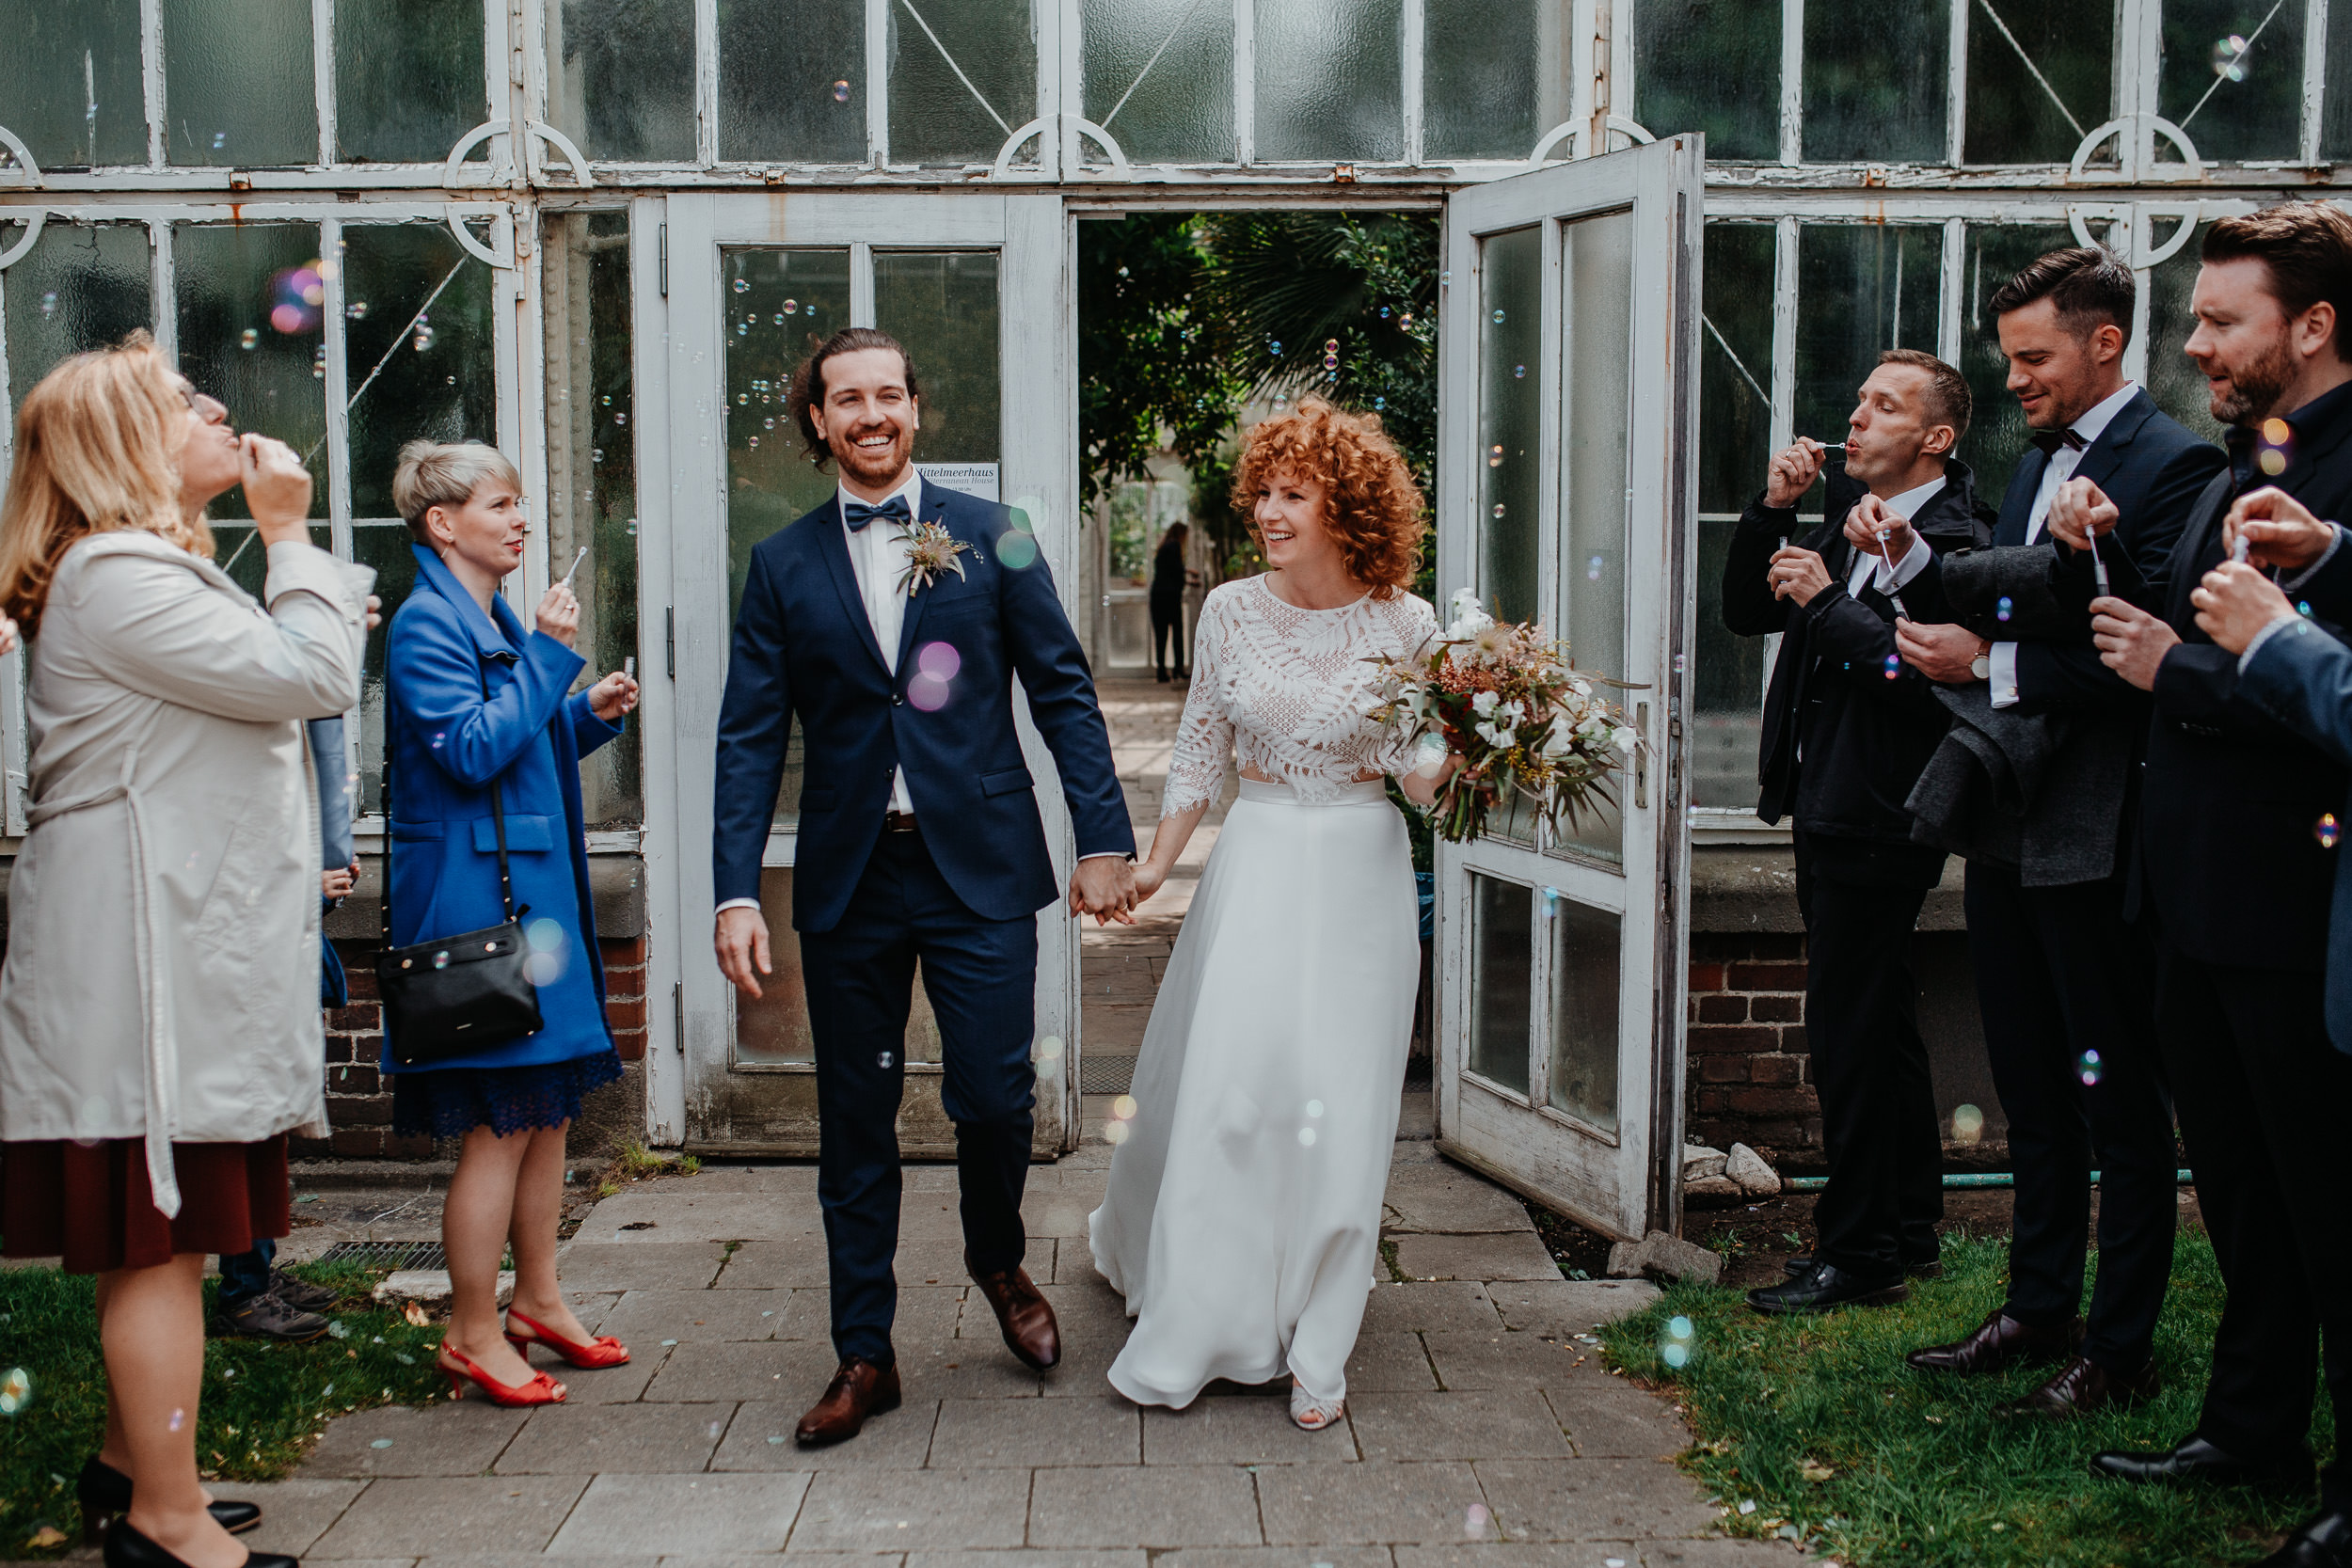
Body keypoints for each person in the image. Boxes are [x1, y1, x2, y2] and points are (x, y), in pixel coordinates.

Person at [712, 327, 1136, 1446]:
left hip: (980, 864)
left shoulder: (995, 532)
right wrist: (734, 890)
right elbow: (747, 735)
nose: (871, 414)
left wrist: (1102, 836)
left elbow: (1062, 688)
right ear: (817, 419)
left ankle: (996, 1256)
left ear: (914, 406)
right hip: (849, 876)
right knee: (854, 1119)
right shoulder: (782, 562)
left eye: (888, 394)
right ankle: (865, 1351)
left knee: (994, 1097)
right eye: (847, 398)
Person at [0, 331, 373, 1568]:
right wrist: (289, 535)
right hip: (141, 965)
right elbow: (312, 675)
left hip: (165, 951)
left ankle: (133, 1470)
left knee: (172, 1231)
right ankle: (166, 1522)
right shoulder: (115, 573)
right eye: (183, 401)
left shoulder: (135, 571)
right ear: (122, 446)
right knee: (157, 1237)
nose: (218, 409)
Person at [2055, 203, 2352, 1568]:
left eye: (2222, 320)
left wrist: (2170, 668)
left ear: (2314, 324)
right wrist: (2110, 560)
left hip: (2298, 906)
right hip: (2190, 891)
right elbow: (2185, 634)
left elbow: (2289, 686)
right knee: (2239, 1190)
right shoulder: (2249, 455)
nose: (2194, 344)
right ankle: (2249, 1425)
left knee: (2327, 1202)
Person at [1888, 248, 2223, 1416]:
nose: (2014, 379)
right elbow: (2015, 588)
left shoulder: (2180, 465)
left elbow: (2140, 641)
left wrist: (1991, 655)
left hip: (2099, 823)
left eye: (2032, 357)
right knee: (2030, 1084)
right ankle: (2037, 1306)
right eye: (2008, 357)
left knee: (2117, 1099)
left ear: (2104, 341)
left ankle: (2119, 1349)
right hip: (2007, 820)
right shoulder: (2036, 459)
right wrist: (1969, 590)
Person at [1088, 399, 1446, 1432]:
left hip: (1362, 873)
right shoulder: (1230, 611)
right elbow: (1200, 746)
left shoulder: (1408, 623)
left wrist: (1487, 740)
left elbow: (1420, 778)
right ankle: (1205, 1313)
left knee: (1344, 1102)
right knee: (1237, 1096)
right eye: (1265, 492)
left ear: (1350, 506)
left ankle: (1319, 1340)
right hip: (1259, 864)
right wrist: (1157, 865)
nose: (1269, 511)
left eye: (1296, 493)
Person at [1719, 349, 1994, 1315]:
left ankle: (1859, 1251)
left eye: (1885, 405)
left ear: (1936, 437)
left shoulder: (1957, 542)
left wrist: (1826, 602)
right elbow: (1744, 610)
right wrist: (1773, 510)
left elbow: (1927, 686)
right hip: (1831, 800)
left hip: (1882, 810)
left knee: (1849, 1033)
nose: (1857, 417)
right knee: (1880, 1021)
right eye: (1859, 399)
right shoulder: (1851, 520)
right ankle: (1908, 1224)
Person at [381, 439, 641, 1409]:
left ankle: (537, 1298)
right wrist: (550, 657)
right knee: (499, 1123)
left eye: (519, 502)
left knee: (546, 1114)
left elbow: (519, 742)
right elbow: (470, 751)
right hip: (478, 906)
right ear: (443, 522)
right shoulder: (425, 625)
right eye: (500, 504)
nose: (520, 519)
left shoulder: (482, 615)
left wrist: (586, 713)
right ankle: (472, 1329)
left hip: (530, 902)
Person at [213, 718, 358, 1344]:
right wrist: (302, 884)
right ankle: (243, 1293)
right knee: (252, 1117)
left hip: (277, 944)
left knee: (272, 1121)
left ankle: (258, 1272)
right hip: (244, 957)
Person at [1149, 521, 1196, 681]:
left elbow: (1167, 572)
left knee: (1161, 635)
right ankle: (1178, 668)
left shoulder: (1164, 546)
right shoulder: (1174, 545)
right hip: (1170, 597)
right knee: (1177, 633)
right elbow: (1175, 569)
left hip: (1158, 595)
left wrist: (1187, 580)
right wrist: (1190, 573)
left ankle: (1162, 671)